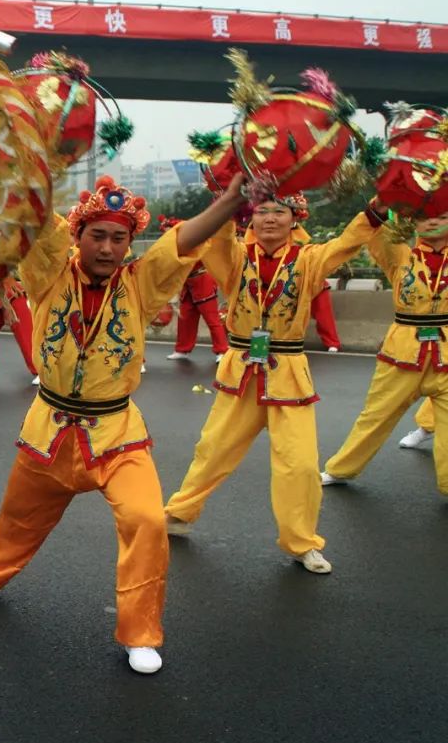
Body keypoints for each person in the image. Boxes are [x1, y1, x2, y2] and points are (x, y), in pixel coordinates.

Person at [0, 174, 248, 675]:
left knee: (146, 520)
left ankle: (140, 632)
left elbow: (181, 242)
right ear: (76, 238)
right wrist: (7, 164)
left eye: (119, 238)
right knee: (18, 518)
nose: (107, 247)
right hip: (49, 428)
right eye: (97, 235)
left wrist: (231, 199)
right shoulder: (48, 273)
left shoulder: (141, 283)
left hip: (115, 434)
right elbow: (32, 215)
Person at [164, 194, 387, 572]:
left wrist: (376, 210)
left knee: (299, 465)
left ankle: (301, 542)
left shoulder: (310, 260)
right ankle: (180, 513)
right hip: (241, 369)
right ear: (250, 218)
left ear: (294, 219)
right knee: (213, 449)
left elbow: (348, 242)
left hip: (287, 373)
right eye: (262, 211)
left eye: (279, 212)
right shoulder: (234, 257)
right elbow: (216, 240)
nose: (269, 219)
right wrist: (230, 195)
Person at [321, 215, 448, 492]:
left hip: (446, 355)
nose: (433, 221)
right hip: (402, 354)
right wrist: (385, 199)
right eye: (427, 216)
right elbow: (373, 230)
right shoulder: (401, 254)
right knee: (375, 417)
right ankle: (340, 468)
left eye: (444, 215)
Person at [158, 216, 228, 362]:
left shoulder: (194, 242)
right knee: (185, 318)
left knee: (212, 318)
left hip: (203, 281)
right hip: (187, 283)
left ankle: (222, 350)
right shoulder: (172, 246)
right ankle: (182, 350)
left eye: (168, 232)